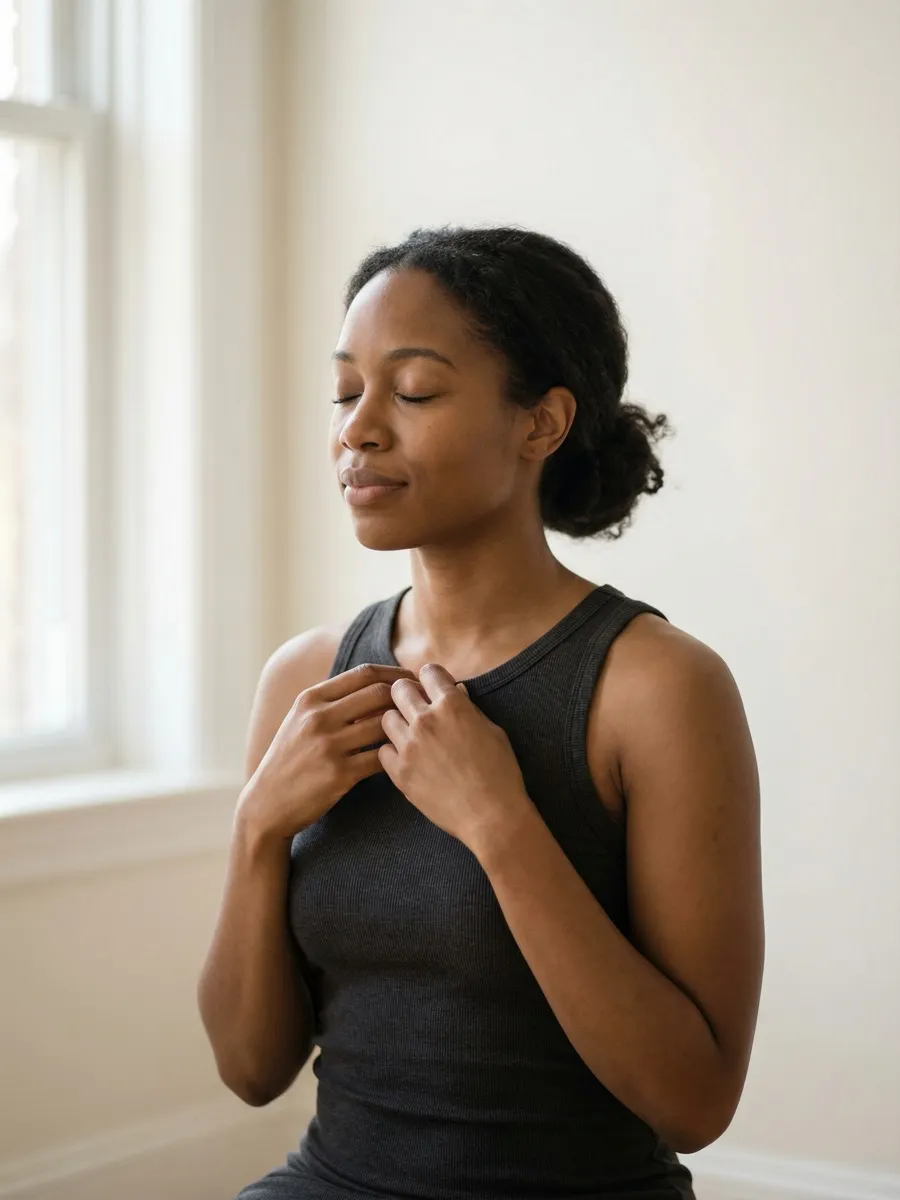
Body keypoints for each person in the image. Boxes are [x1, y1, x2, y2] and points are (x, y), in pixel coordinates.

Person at [197, 225, 764, 1200]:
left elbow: (694, 1103)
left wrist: (500, 826)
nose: (356, 430)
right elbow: (251, 1073)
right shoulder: (306, 681)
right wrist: (257, 829)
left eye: (411, 391)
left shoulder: (659, 688)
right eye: (344, 391)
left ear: (539, 423)